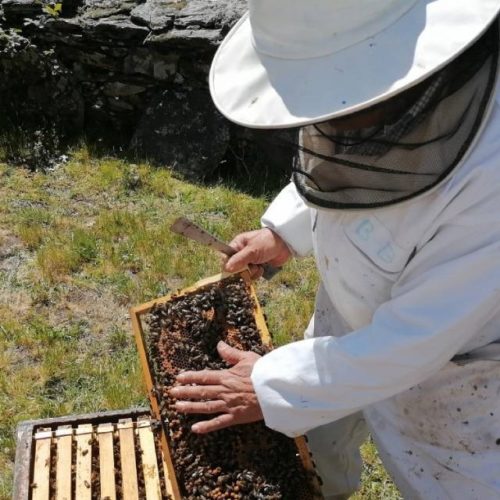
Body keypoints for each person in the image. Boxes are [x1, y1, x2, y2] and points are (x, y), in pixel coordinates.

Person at [169, 1, 500, 498]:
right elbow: (341, 167)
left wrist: (278, 386)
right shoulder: (359, 81)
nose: (327, 118)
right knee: (315, 454)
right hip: (343, 322)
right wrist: (284, 231)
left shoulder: (490, 177)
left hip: (453, 384)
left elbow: (416, 340)